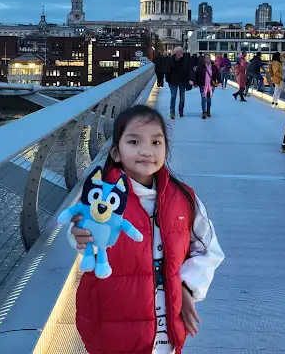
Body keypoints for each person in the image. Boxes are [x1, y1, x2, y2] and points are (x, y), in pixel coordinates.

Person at [69, 105, 224, 354]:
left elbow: (208, 248)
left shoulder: (183, 198)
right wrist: (79, 237)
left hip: (165, 327)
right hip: (113, 323)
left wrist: (186, 286)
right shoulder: (100, 198)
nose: (147, 151)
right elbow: (82, 235)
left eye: (156, 142)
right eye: (134, 142)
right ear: (116, 152)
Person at [165, 47, 194, 120]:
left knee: (182, 97)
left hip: (182, 81)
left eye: (182, 52)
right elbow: (167, 70)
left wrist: (191, 79)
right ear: (176, 53)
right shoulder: (171, 60)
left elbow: (189, 70)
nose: (181, 53)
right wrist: (168, 80)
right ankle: (172, 113)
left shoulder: (185, 60)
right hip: (173, 81)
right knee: (173, 96)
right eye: (180, 52)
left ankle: (181, 111)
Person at [195, 54, 221, 119]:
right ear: (204, 59)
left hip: (211, 85)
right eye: (207, 58)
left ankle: (208, 111)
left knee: (209, 98)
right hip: (202, 84)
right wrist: (195, 82)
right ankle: (204, 112)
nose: (208, 59)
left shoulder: (214, 67)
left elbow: (218, 74)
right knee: (203, 98)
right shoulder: (201, 67)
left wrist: (219, 81)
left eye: (209, 57)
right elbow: (196, 74)